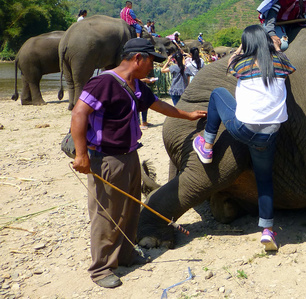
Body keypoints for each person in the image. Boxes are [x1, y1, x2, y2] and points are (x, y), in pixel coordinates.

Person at [70, 38, 206, 289]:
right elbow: (79, 113)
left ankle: (124, 255)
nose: (153, 67)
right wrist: (81, 155)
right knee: (107, 214)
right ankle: (101, 269)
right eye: (151, 61)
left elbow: (158, 105)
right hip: (107, 159)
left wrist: (187, 114)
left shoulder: (136, 85)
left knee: (130, 211)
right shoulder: (103, 82)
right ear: (137, 58)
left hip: (130, 156)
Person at [192, 25, 295, 251]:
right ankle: (267, 230)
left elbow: (228, 64)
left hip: (243, 129)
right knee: (264, 179)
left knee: (218, 93)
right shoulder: (280, 63)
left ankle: (207, 145)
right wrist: (276, 47)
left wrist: (240, 48)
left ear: (247, 44)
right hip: (269, 135)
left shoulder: (242, 63)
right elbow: (287, 64)